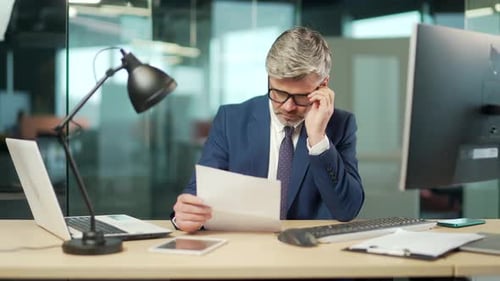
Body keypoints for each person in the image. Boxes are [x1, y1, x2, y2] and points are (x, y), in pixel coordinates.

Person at [172, 26, 364, 233]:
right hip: (243, 248)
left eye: (300, 96)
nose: (288, 106)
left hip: (308, 252)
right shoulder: (232, 120)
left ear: (323, 85)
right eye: (279, 93)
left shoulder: (340, 125)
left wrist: (318, 139)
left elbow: (347, 209)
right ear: (269, 78)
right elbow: (197, 194)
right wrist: (185, 215)